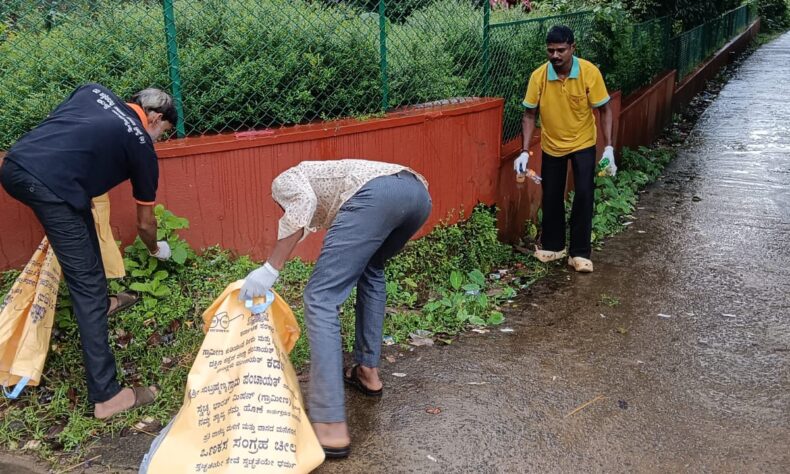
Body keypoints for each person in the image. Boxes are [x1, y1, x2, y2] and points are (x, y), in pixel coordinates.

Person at [0, 83, 176, 418]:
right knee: (86, 284)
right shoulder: (141, 145)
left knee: (81, 217)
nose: (159, 139)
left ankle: (102, 302)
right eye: (163, 132)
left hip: (16, 164)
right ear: (154, 117)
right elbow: (145, 224)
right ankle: (107, 396)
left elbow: (67, 132)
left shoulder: (93, 91)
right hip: (49, 187)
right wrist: (156, 250)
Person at [239, 159, 432, 458]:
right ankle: (367, 370)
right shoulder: (326, 179)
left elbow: (301, 207)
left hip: (375, 195)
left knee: (321, 297)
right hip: (417, 194)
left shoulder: (285, 180)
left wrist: (270, 268)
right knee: (372, 268)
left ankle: (330, 423)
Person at [514, 25, 615, 273]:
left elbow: (605, 109)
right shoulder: (539, 77)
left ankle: (579, 253)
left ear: (572, 48)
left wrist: (609, 148)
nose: (555, 55)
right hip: (552, 144)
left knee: (584, 194)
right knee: (551, 194)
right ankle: (554, 246)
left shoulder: (589, 73)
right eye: (550, 50)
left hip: (583, 143)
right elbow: (529, 114)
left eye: (561, 50)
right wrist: (524, 151)